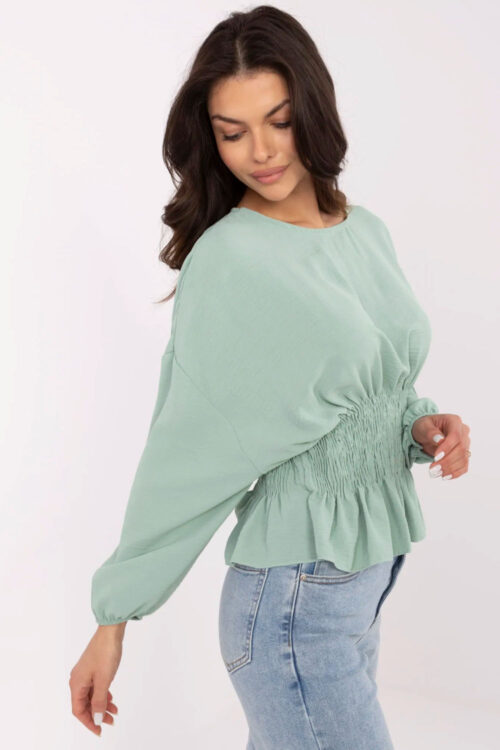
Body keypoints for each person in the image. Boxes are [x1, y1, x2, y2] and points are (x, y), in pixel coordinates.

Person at [69, 5, 471, 747]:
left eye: (279, 121)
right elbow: (185, 451)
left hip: (359, 592)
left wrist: (417, 425)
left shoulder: (364, 229)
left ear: (312, 110)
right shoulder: (231, 259)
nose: (260, 151)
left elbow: (356, 392)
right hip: (295, 607)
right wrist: (113, 617)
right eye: (232, 132)